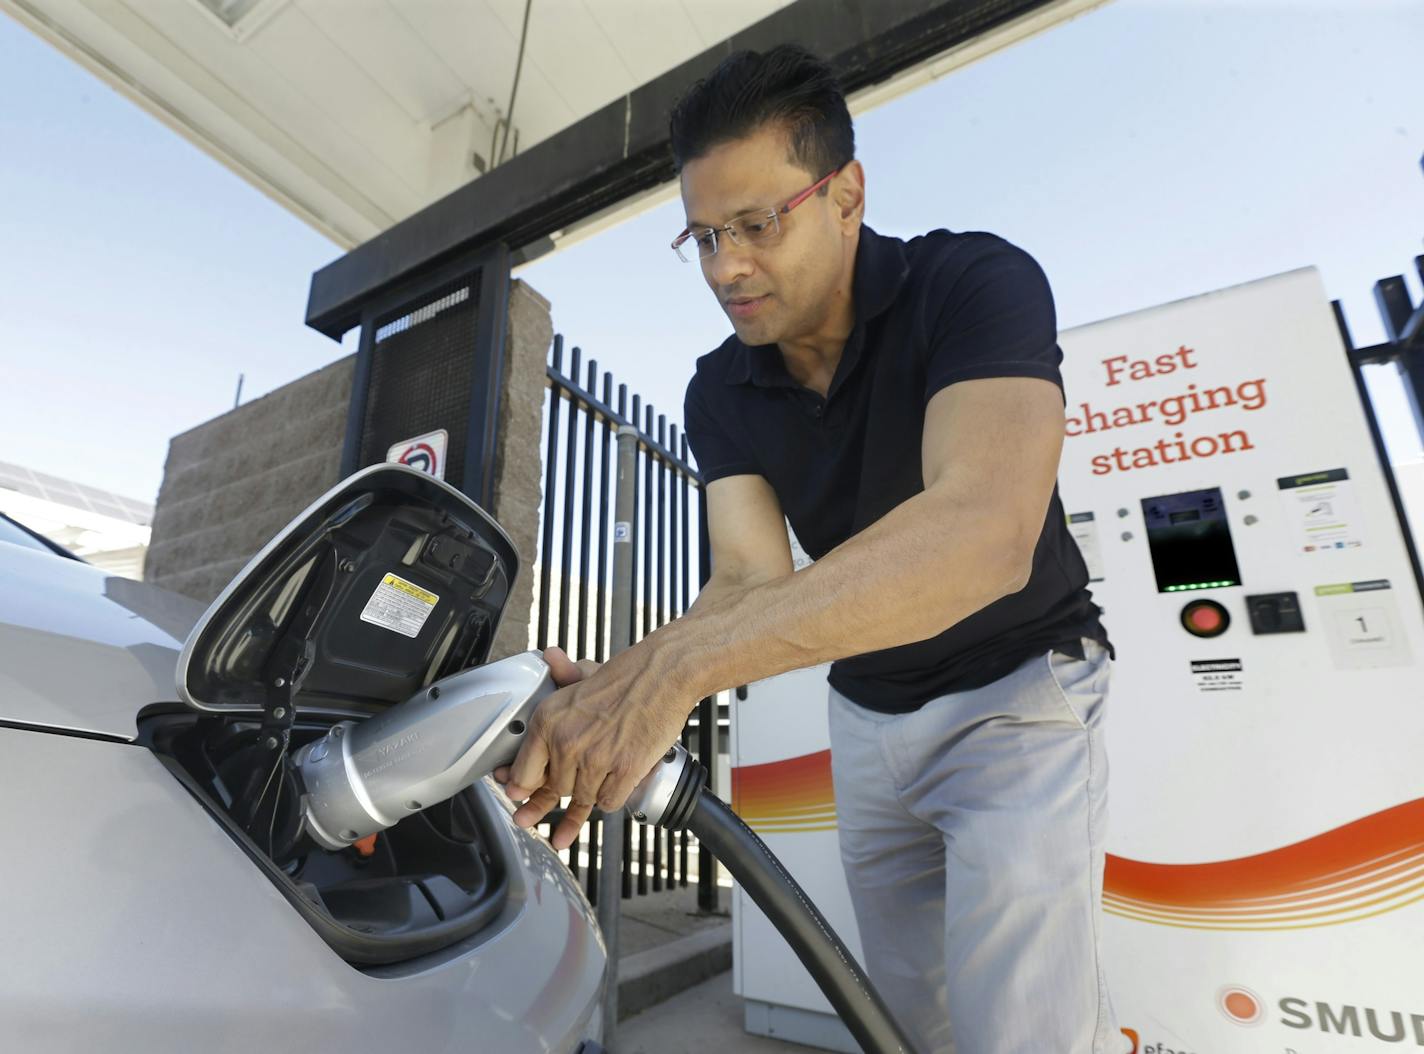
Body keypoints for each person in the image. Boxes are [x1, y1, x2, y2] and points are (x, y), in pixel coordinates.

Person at [499, 44, 1124, 1054]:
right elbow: (747, 579)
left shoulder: (969, 284)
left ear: (845, 195)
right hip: (869, 717)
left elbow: (983, 533)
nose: (724, 267)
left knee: (1022, 1030)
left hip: (1017, 692)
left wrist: (682, 673)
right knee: (900, 1017)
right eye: (700, 236)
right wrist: (615, 687)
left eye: (755, 224)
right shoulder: (720, 388)